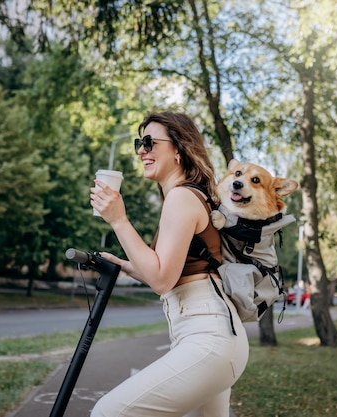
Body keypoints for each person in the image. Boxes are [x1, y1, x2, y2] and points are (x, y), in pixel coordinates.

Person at [89, 111, 249, 417]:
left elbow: (162, 280)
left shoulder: (182, 197)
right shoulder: (189, 197)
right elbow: (166, 271)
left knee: (108, 413)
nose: (141, 150)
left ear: (178, 148)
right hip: (213, 338)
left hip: (208, 339)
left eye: (149, 142)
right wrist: (123, 264)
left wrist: (118, 219)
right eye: (140, 142)